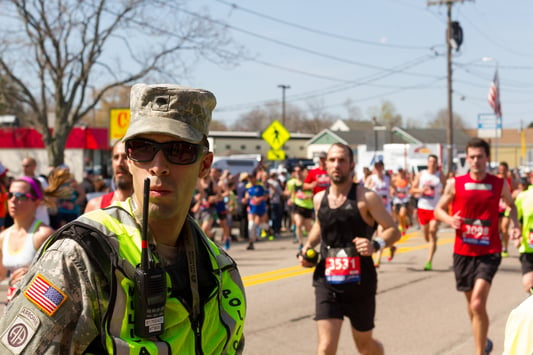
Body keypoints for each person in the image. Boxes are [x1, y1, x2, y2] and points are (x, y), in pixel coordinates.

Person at [0, 83, 246, 353]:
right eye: (142, 148)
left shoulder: (222, 271)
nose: (158, 166)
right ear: (128, 159)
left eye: (179, 150)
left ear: (205, 164)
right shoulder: (81, 257)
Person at [298, 143, 400, 355]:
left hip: (360, 282)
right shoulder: (319, 199)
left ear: (351, 165)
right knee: (325, 347)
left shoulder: (366, 198)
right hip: (327, 280)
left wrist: (376, 244)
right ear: (325, 164)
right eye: (332, 160)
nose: (337, 165)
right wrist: (307, 247)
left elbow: (393, 230)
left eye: (342, 160)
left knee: (365, 346)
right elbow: (320, 225)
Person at [434, 137, 520, 355]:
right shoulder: (456, 183)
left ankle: (479, 351)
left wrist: (515, 225)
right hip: (463, 251)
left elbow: (512, 206)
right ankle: (484, 340)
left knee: (477, 303)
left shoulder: (498, 183)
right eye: (471, 157)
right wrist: (449, 219)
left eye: (479, 157)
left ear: (487, 158)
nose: (475, 161)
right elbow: (438, 210)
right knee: (472, 304)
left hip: (489, 251)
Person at [0, 176, 54, 300]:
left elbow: (60, 288)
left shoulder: (44, 235)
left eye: (21, 196)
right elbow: (1, 276)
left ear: (36, 202)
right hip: (11, 308)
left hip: (39, 311)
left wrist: (33, 275)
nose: (13, 200)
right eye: (10, 195)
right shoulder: (3, 236)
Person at [410, 154, 444, 271]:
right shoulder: (421, 175)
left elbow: (445, 191)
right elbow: (412, 190)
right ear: (427, 163)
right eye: (430, 161)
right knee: (426, 236)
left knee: (432, 231)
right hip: (423, 207)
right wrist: (421, 190)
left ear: (437, 163)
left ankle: (429, 261)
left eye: (434, 162)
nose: (432, 164)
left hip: (435, 209)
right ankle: (432, 243)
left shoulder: (440, 176)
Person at [84, 141, 134, 212]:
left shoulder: (148, 207)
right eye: (116, 157)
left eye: (125, 157)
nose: (119, 163)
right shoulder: (95, 206)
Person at [365, 161, 396, 267]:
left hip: (385, 209)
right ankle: (391, 246)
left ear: (383, 167)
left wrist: (392, 191)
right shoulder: (371, 178)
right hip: (373, 209)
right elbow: (363, 191)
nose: (378, 168)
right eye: (376, 166)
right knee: (378, 233)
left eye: (380, 166)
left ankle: (377, 260)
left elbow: (393, 188)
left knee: (381, 232)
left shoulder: (387, 179)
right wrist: (369, 187)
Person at [514, 171, 533, 293]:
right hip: (528, 247)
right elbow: (516, 217)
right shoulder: (523, 196)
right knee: (528, 285)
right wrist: (516, 233)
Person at [21, 157, 50, 225]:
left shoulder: (41, 181)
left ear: (34, 166)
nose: (24, 168)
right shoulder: (20, 181)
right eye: (23, 166)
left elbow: (48, 199)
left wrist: (34, 202)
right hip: (25, 221)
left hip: (40, 219)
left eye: (27, 166)